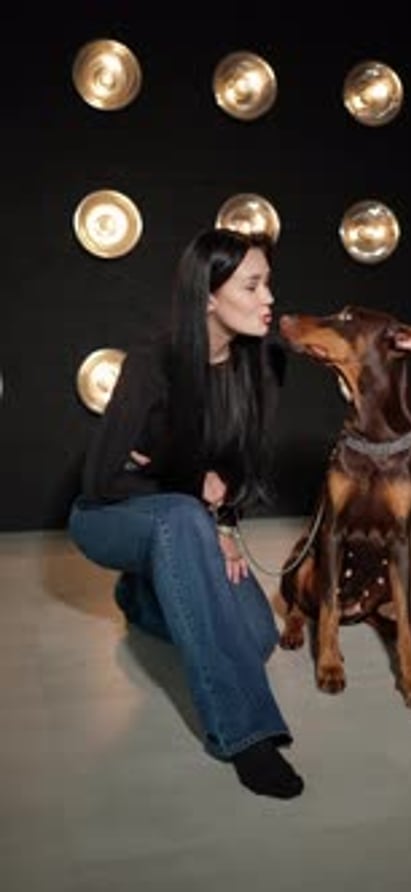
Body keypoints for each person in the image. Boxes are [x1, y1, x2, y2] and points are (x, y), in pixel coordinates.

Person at [68, 227, 304, 800]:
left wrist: (218, 522)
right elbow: (102, 481)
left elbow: (238, 475)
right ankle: (245, 735)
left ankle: (146, 596)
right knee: (178, 518)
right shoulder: (152, 365)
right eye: (252, 285)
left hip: (186, 522)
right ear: (208, 296)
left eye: (267, 283)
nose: (268, 298)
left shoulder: (259, 365)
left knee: (255, 637)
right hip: (108, 519)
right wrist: (189, 484)